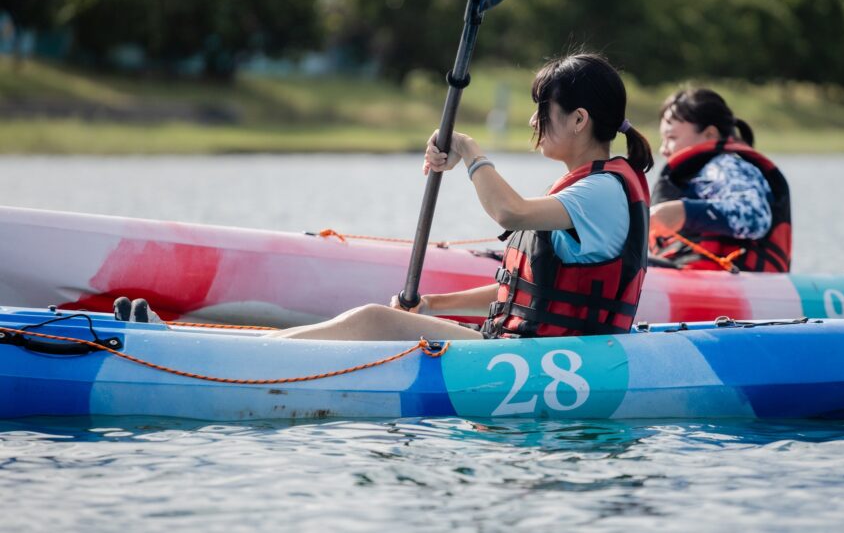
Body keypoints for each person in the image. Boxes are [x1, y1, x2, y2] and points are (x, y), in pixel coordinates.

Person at [269, 53, 654, 341]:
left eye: (542, 109)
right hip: (533, 349)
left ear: (579, 120)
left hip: (547, 356)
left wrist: (468, 150)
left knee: (374, 320)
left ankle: (267, 356)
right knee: (382, 322)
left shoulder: (600, 191)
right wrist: (434, 305)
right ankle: (272, 345)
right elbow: (524, 292)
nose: (533, 121)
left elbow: (509, 213)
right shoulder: (588, 186)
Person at [649, 87, 792, 272]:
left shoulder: (725, 167)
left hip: (739, 286)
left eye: (671, 137)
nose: (663, 149)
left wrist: (684, 213)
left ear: (710, 134)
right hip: (687, 278)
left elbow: (756, 216)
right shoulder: (688, 177)